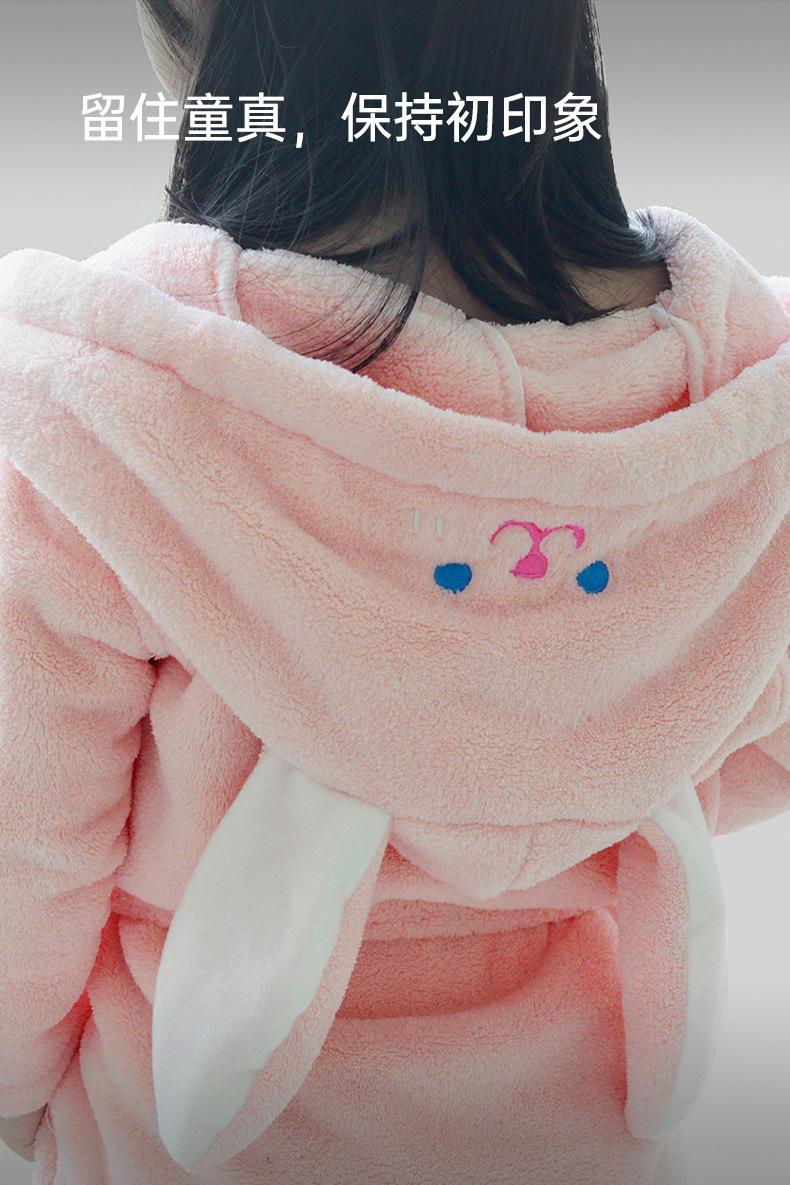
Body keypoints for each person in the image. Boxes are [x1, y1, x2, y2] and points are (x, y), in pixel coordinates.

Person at [0, 2, 787, 1183]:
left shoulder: (112, 397)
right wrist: (559, 748)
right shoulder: (732, 396)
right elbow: (757, 738)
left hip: (187, 1122)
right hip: (584, 1133)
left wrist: (20, 1086)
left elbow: (26, 853)